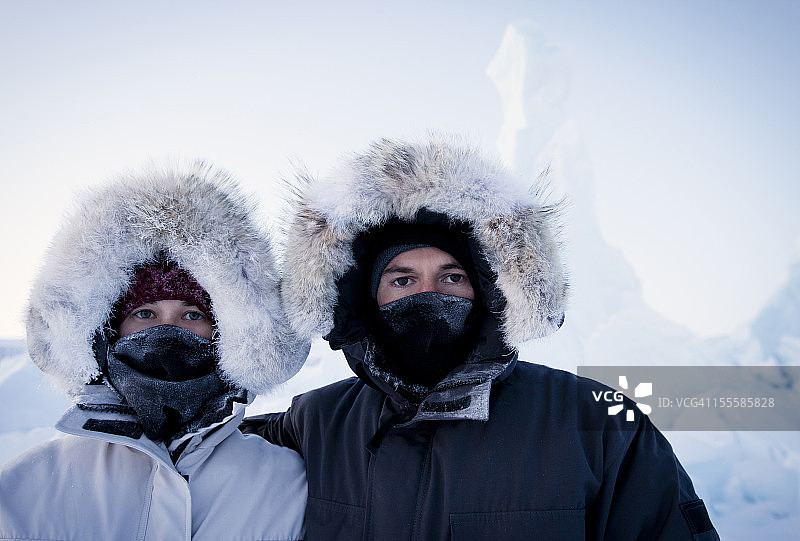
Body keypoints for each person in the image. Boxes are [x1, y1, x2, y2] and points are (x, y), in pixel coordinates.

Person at [241, 137, 720, 540]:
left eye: (452, 277)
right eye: (402, 280)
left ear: (490, 289)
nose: (429, 293)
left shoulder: (595, 422)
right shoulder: (316, 423)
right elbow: (193, 462)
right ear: (363, 299)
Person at [0, 164, 310, 540]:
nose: (167, 330)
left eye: (192, 314)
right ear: (107, 331)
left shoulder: (284, 482)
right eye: (144, 313)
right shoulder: (27, 490)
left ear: (226, 332)